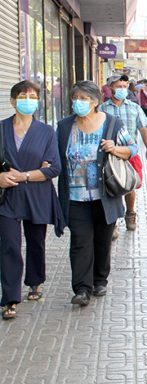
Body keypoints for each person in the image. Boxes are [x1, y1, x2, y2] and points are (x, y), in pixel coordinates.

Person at [56, 81, 138, 306]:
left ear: (95, 102)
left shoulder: (111, 124)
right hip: (75, 196)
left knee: (102, 240)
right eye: (75, 98)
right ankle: (82, 288)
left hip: (105, 194)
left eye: (83, 99)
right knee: (81, 242)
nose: (78, 103)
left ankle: (100, 279)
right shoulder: (64, 126)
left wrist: (114, 148)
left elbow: (132, 149)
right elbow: (55, 157)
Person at [0, 81, 64, 320]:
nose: (28, 99)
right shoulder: (1, 128)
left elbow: (54, 167)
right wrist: (1, 177)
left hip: (37, 194)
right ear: (13, 101)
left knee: (36, 241)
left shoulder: (46, 131)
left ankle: (35, 281)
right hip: (8, 196)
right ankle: (10, 298)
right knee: (9, 245)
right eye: (23, 95)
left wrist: (27, 174)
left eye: (32, 96)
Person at [99, 75, 147, 237]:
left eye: (125, 86)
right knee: (112, 187)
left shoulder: (134, 107)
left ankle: (130, 213)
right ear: (111, 88)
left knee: (130, 186)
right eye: (119, 86)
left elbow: (143, 129)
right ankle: (113, 221)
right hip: (109, 155)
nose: (123, 89)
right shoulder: (102, 109)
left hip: (130, 154)